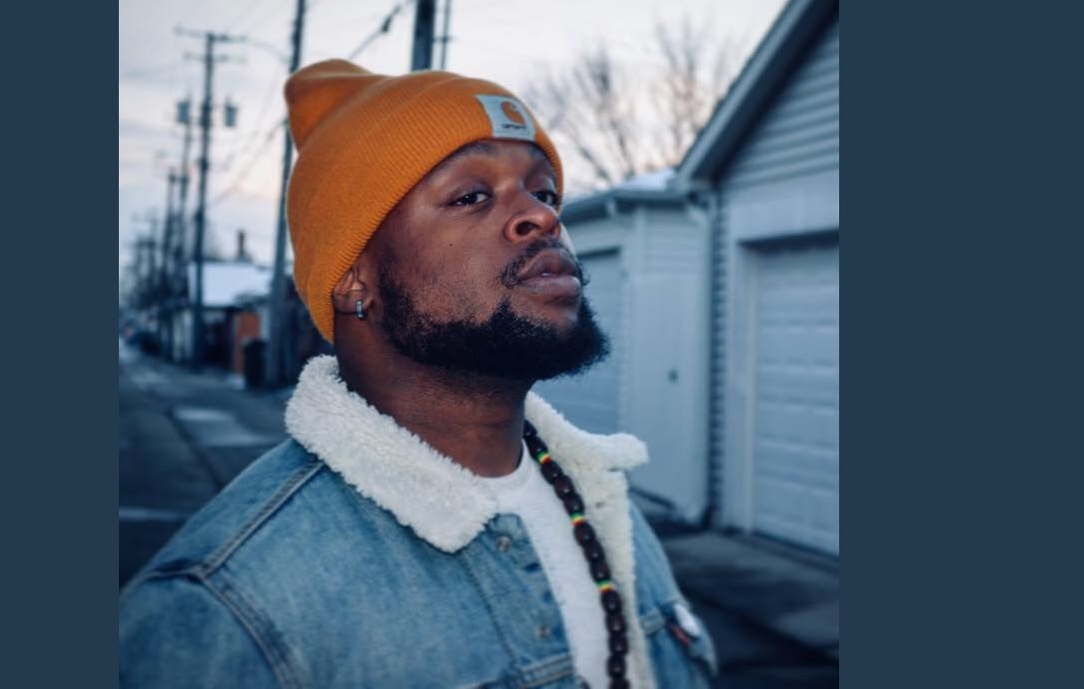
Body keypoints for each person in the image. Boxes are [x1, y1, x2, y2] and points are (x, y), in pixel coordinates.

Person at [119, 59, 717, 689]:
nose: (542, 217)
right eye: (471, 196)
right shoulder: (222, 608)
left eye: (544, 193)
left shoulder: (605, 503)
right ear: (354, 279)